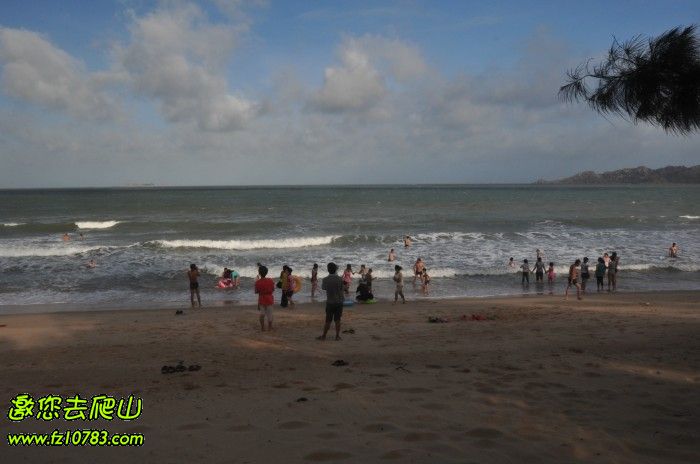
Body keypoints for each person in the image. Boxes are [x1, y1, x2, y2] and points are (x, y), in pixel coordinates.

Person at [319, 262, 344, 341]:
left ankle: (324, 336)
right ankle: (337, 336)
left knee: (328, 321)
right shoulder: (340, 279)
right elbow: (342, 289)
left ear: (328, 270)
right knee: (338, 320)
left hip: (330, 302)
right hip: (339, 302)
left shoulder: (325, 279)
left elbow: (324, 288)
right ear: (335, 269)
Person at [255, 266, 275, 331]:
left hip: (261, 299)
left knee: (262, 314)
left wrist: (257, 281)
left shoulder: (257, 282)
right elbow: (273, 289)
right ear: (266, 272)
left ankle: (262, 328)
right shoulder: (270, 280)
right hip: (269, 299)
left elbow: (256, 291)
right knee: (270, 315)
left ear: (259, 273)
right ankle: (270, 327)